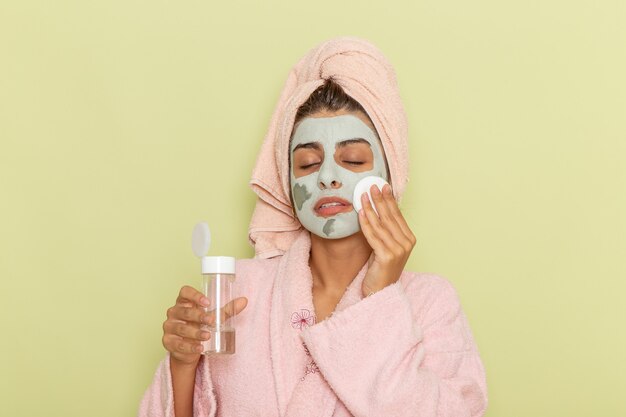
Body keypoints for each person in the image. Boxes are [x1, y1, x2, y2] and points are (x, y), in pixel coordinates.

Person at [139, 37, 488, 417]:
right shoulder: (238, 289)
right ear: (287, 183)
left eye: (353, 159)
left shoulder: (430, 302)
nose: (327, 178)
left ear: (390, 173)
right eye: (307, 163)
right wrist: (182, 364)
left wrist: (380, 297)